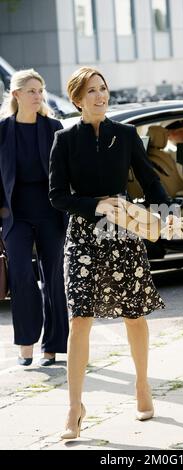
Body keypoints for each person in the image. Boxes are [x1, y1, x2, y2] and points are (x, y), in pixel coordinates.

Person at [49, 67, 177, 440]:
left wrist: (167, 214)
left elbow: (150, 179)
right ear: (77, 99)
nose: (100, 96)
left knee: (133, 315)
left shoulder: (125, 135)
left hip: (124, 229)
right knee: (79, 319)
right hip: (84, 234)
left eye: (103, 89)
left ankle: (141, 384)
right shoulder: (64, 139)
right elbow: (57, 196)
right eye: (92, 91)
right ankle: (75, 406)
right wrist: (95, 204)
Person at [0, 69, 69, 366]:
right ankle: (26, 342)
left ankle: (52, 346)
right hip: (14, 216)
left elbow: (67, 174)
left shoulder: (54, 128)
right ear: (16, 95)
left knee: (53, 277)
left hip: (50, 214)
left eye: (40, 90)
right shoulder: (2, 131)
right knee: (21, 277)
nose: (38, 95)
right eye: (31, 91)